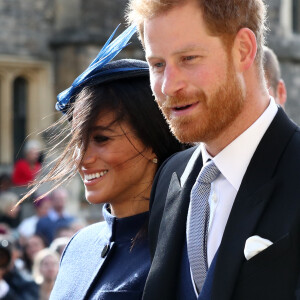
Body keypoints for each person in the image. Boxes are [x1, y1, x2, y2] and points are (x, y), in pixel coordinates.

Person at [126, 1, 300, 299]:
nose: (168, 85)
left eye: (189, 58)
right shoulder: (171, 176)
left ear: (243, 49)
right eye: (157, 65)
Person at [20, 25, 183, 299]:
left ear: (153, 141)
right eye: (79, 142)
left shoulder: (184, 252)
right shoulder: (77, 246)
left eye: (102, 139)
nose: (82, 158)